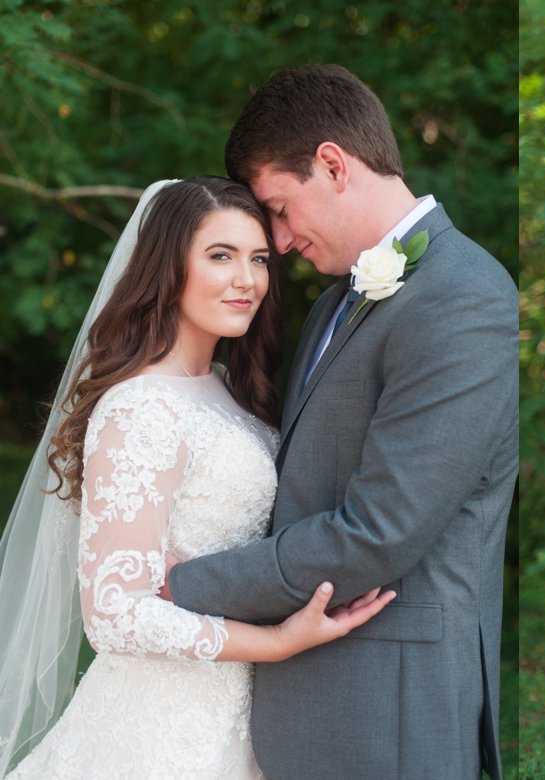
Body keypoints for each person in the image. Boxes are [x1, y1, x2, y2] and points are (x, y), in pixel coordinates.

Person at [165, 65, 518, 780]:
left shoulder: (464, 297)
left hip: (392, 707)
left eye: (281, 208)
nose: (283, 241)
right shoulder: (335, 304)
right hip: (317, 696)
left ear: (332, 163)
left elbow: (377, 532)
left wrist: (185, 587)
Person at [0, 177, 396, 778]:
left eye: (259, 258)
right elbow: (113, 614)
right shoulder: (140, 408)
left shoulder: (226, 388)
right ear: (168, 267)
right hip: (159, 731)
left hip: (242, 716)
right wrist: (277, 641)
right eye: (221, 256)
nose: (248, 279)